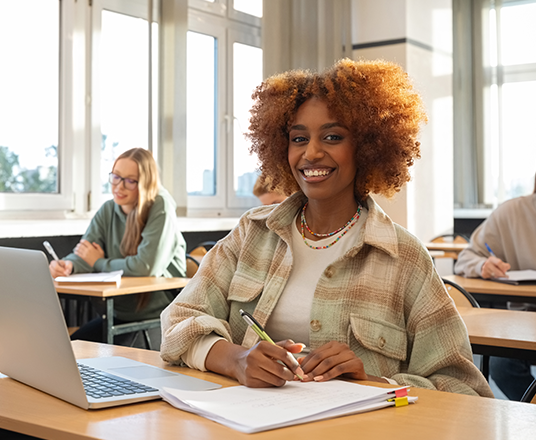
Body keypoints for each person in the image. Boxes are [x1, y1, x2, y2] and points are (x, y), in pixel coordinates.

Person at [160, 59, 492, 397]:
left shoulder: (403, 257)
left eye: (332, 137)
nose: (312, 153)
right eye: (299, 138)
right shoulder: (251, 233)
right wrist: (237, 359)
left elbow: (463, 388)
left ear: (366, 147)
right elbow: (177, 323)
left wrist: (374, 384)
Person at [50, 148, 187, 345]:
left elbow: (145, 267)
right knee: (66, 352)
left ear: (146, 183)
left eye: (130, 181)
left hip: (157, 319)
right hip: (117, 316)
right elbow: (84, 253)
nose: (119, 187)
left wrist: (98, 262)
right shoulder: (108, 209)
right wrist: (68, 265)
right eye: (116, 177)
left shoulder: (161, 207)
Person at [455, 173, 536, 400]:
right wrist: (484, 264)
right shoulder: (512, 213)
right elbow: (466, 257)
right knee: (501, 364)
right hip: (526, 318)